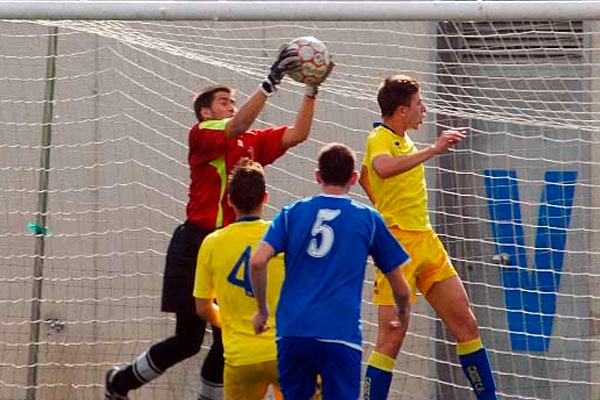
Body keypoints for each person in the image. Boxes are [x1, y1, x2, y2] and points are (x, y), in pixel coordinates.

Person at [104, 43, 333, 400]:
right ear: (205, 112)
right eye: (224, 101)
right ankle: (121, 382)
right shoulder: (204, 134)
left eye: (232, 101)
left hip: (231, 244)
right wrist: (270, 82)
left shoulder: (251, 140)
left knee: (229, 340)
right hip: (195, 242)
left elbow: (298, 134)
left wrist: (310, 89)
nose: (232, 106)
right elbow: (237, 125)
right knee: (188, 340)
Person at [359, 75, 497, 400]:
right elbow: (380, 168)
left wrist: (383, 204)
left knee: (467, 324)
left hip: (426, 240)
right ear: (403, 109)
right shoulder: (379, 136)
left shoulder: (403, 139)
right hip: (398, 248)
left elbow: (364, 176)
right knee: (392, 340)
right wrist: (433, 150)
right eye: (420, 103)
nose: (425, 109)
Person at [250, 143, 412, 400]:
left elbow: (257, 261)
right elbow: (401, 288)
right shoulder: (368, 219)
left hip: (294, 331)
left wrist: (262, 310)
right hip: (340, 333)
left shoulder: (292, 213)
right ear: (354, 178)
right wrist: (402, 313)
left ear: (317, 176)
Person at [193, 158, 285, 400]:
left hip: (240, 357)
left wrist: (232, 323)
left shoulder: (211, 243)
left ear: (229, 200)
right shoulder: (281, 235)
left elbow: (202, 307)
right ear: (265, 197)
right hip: (284, 352)